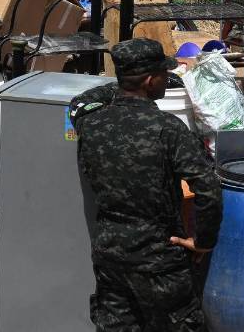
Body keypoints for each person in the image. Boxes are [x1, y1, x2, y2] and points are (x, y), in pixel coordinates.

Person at [69, 38, 222, 332]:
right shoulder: (168, 128)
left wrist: (124, 83)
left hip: (111, 255)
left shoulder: (89, 123)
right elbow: (208, 189)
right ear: (151, 81)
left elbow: (80, 102)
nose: (167, 78)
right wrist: (203, 241)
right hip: (160, 261)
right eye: (164, 74)